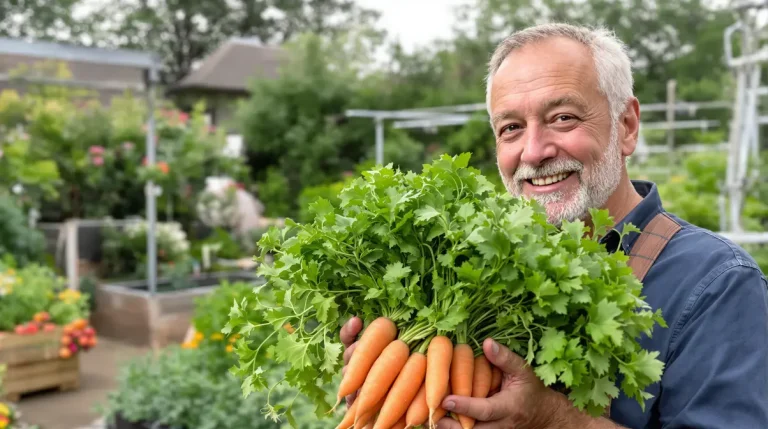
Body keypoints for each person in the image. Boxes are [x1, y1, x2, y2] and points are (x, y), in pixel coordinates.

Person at [341, 23, 768, 428]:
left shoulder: (718, 285)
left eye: (563, 118)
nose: (533, 152)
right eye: (511, 128)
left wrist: (553, 419)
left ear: (626, 126)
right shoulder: (477, 273)